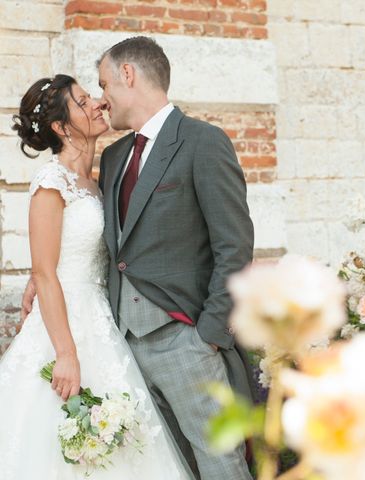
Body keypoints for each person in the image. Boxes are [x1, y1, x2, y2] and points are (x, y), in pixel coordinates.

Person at [19, 37, 255, 480]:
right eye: (89, 96)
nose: (101, 99)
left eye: (103, 85)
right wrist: (44, 274)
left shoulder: (202, 142)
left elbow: (235, 247)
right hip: (118, 345)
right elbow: (109, 242)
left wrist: (209, 334)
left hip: (185, 341)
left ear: (127, 76)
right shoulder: (114, 158)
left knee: (219, 460)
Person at [0, 74, 195, 479]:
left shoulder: (101, 178)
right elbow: (46, 274)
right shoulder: (51, 183)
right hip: (63, 327)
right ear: (60, 126)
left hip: (104, 321)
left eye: (94, 96)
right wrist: (67, 355)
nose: (98, 104)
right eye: (83, 101)